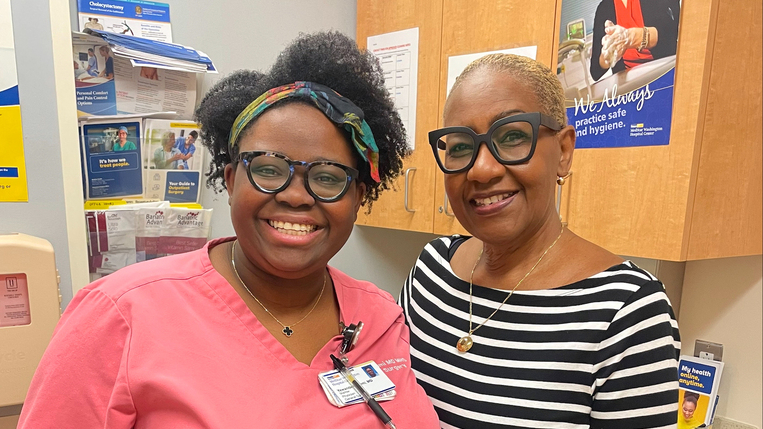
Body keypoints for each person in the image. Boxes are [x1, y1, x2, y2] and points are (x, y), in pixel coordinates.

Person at [18, 31, 439, 428]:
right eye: (269, 170)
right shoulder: (120, 315)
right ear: (232, 179)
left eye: (328, 177)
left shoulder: (380, 316)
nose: (296, 196)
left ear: (359, 197)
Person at [400, 53, 681, 428]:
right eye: (461, 146)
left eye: (513, 136)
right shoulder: (430, 271)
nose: (481, 169)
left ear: (564, 151)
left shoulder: (627, 311)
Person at [590, 0, 681, 81]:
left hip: (665, 74)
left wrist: (632, 37)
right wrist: (606, 58)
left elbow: (675, 34)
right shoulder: (603, 9)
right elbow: (595, 71)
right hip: (630, 86)